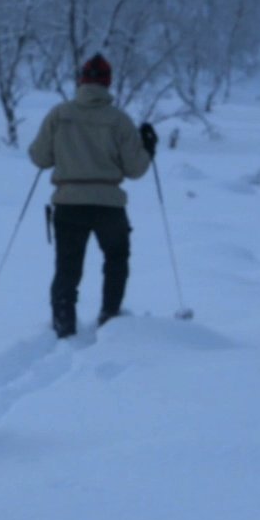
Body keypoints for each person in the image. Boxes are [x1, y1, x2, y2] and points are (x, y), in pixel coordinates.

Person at [27, 53, 157, 338]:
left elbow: (39, 157)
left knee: (67, 269)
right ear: (108, 83)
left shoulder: (60, 115)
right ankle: (110, 316)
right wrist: (148, 148)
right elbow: (135, 170)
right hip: (109, 205)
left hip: (68, 204)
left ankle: (64, 325)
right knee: (116, 260)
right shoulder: (119, 121)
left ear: (81, 81)